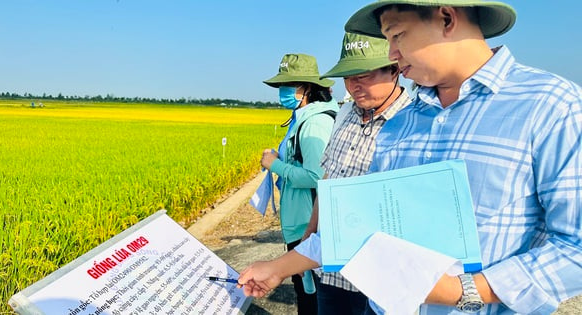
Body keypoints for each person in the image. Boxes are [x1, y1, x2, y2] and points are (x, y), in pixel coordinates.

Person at [239, 1, 582, 314]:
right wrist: (277, 268)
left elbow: (575, 249)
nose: (392, 53)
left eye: (398, 35)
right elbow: (360, 231)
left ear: (447, 17)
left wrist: (459, 290)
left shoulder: (550, 106)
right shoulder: (402, 123)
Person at [299, 32, 411, 315]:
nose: (354, 85)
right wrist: (310, 232)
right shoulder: (345, 113)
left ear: (394, 69)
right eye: (349, 77)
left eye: (364, 75)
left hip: (378, 277)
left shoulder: (412, 122)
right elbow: (329, 179)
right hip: (332, 267)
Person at [261, 53, 338, 315]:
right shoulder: (303, 116)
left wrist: (276, 165)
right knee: (308, 296)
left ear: (306, 88)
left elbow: (317, 176)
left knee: (311, 301)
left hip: (309, 226)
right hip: (303, 223)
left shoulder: (315, 122)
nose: (282, 91)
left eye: (288, 85)